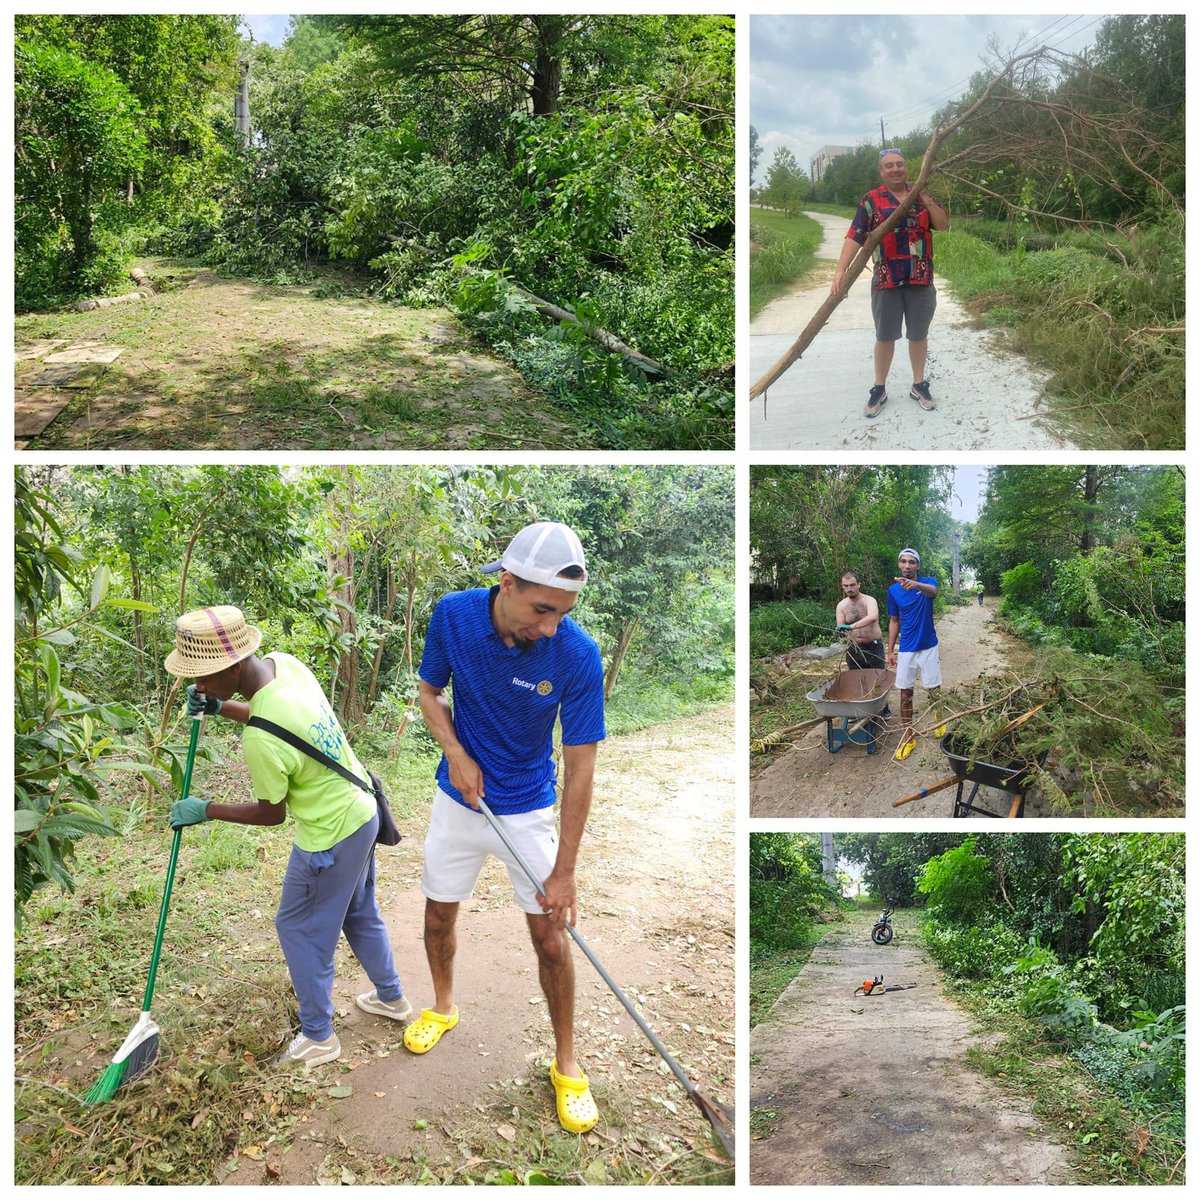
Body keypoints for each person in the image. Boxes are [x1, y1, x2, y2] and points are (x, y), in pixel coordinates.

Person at [406, 521, 606, 1134]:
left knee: (551, 938)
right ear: (507, 582)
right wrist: (454, 752)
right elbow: (428, 691)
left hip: (526, 810)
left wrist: (565, 870)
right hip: (457, 802)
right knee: (438, 914)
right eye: (543, 609)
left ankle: (567, 1064)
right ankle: (442, 1007)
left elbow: (579, 769)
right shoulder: (454, 616)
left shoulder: (575, 654)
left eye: (563, 613)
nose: (550, 627)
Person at [164, 606, 409, 1068]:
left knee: (298, 927)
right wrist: (219, 707)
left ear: (233, 665)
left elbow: (270, 813)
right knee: (358, 912)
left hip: (330, 834)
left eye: (203, 679)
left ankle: (319, 1036)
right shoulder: (285, 665)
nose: (197, 687)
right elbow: (271, 715)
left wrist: (206, 810)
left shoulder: (258, 742)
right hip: (362, 812)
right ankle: (391, 998)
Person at [830, 148, 950, 418]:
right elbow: (854, 236)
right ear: (881, 172)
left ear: (906, 168)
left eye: (899, 164)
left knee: (918, 334)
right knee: (885, 336)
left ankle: (919, 385)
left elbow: (942, 225)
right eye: (889, 166)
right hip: (887, 281)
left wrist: (925, 196)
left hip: (920, 278)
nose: (895, 169)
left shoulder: (920, 196)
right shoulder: (871, 199)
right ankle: (879, 388)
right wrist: (840, 271)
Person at [886, 549, 946, 761]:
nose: (907, 565)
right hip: (907, 648)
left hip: (928, 645)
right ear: (899, 564)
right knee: (905, 693)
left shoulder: (927, 582)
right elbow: (894, 621)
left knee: (934, 688)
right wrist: (890, 649)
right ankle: (908, 736)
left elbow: (933, 592)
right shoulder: (893, 591)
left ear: (917, 565)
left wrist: (916, 585)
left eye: (912, 562)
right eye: (903, 561)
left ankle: (939, 718)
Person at [835, 570, 890, 718]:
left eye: (852, 585)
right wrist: (840, 630)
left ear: (859, 584)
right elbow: (840, 625)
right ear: (842, 586)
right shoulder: (841, 605)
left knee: (878, 677)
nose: (849, 589)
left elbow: (873, 617)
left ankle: (883, 709)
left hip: (873, 645)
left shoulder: (868, 600)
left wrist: (851, 626)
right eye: (845, 586)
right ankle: (859, 712)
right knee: (855, 679)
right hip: (854, 648)